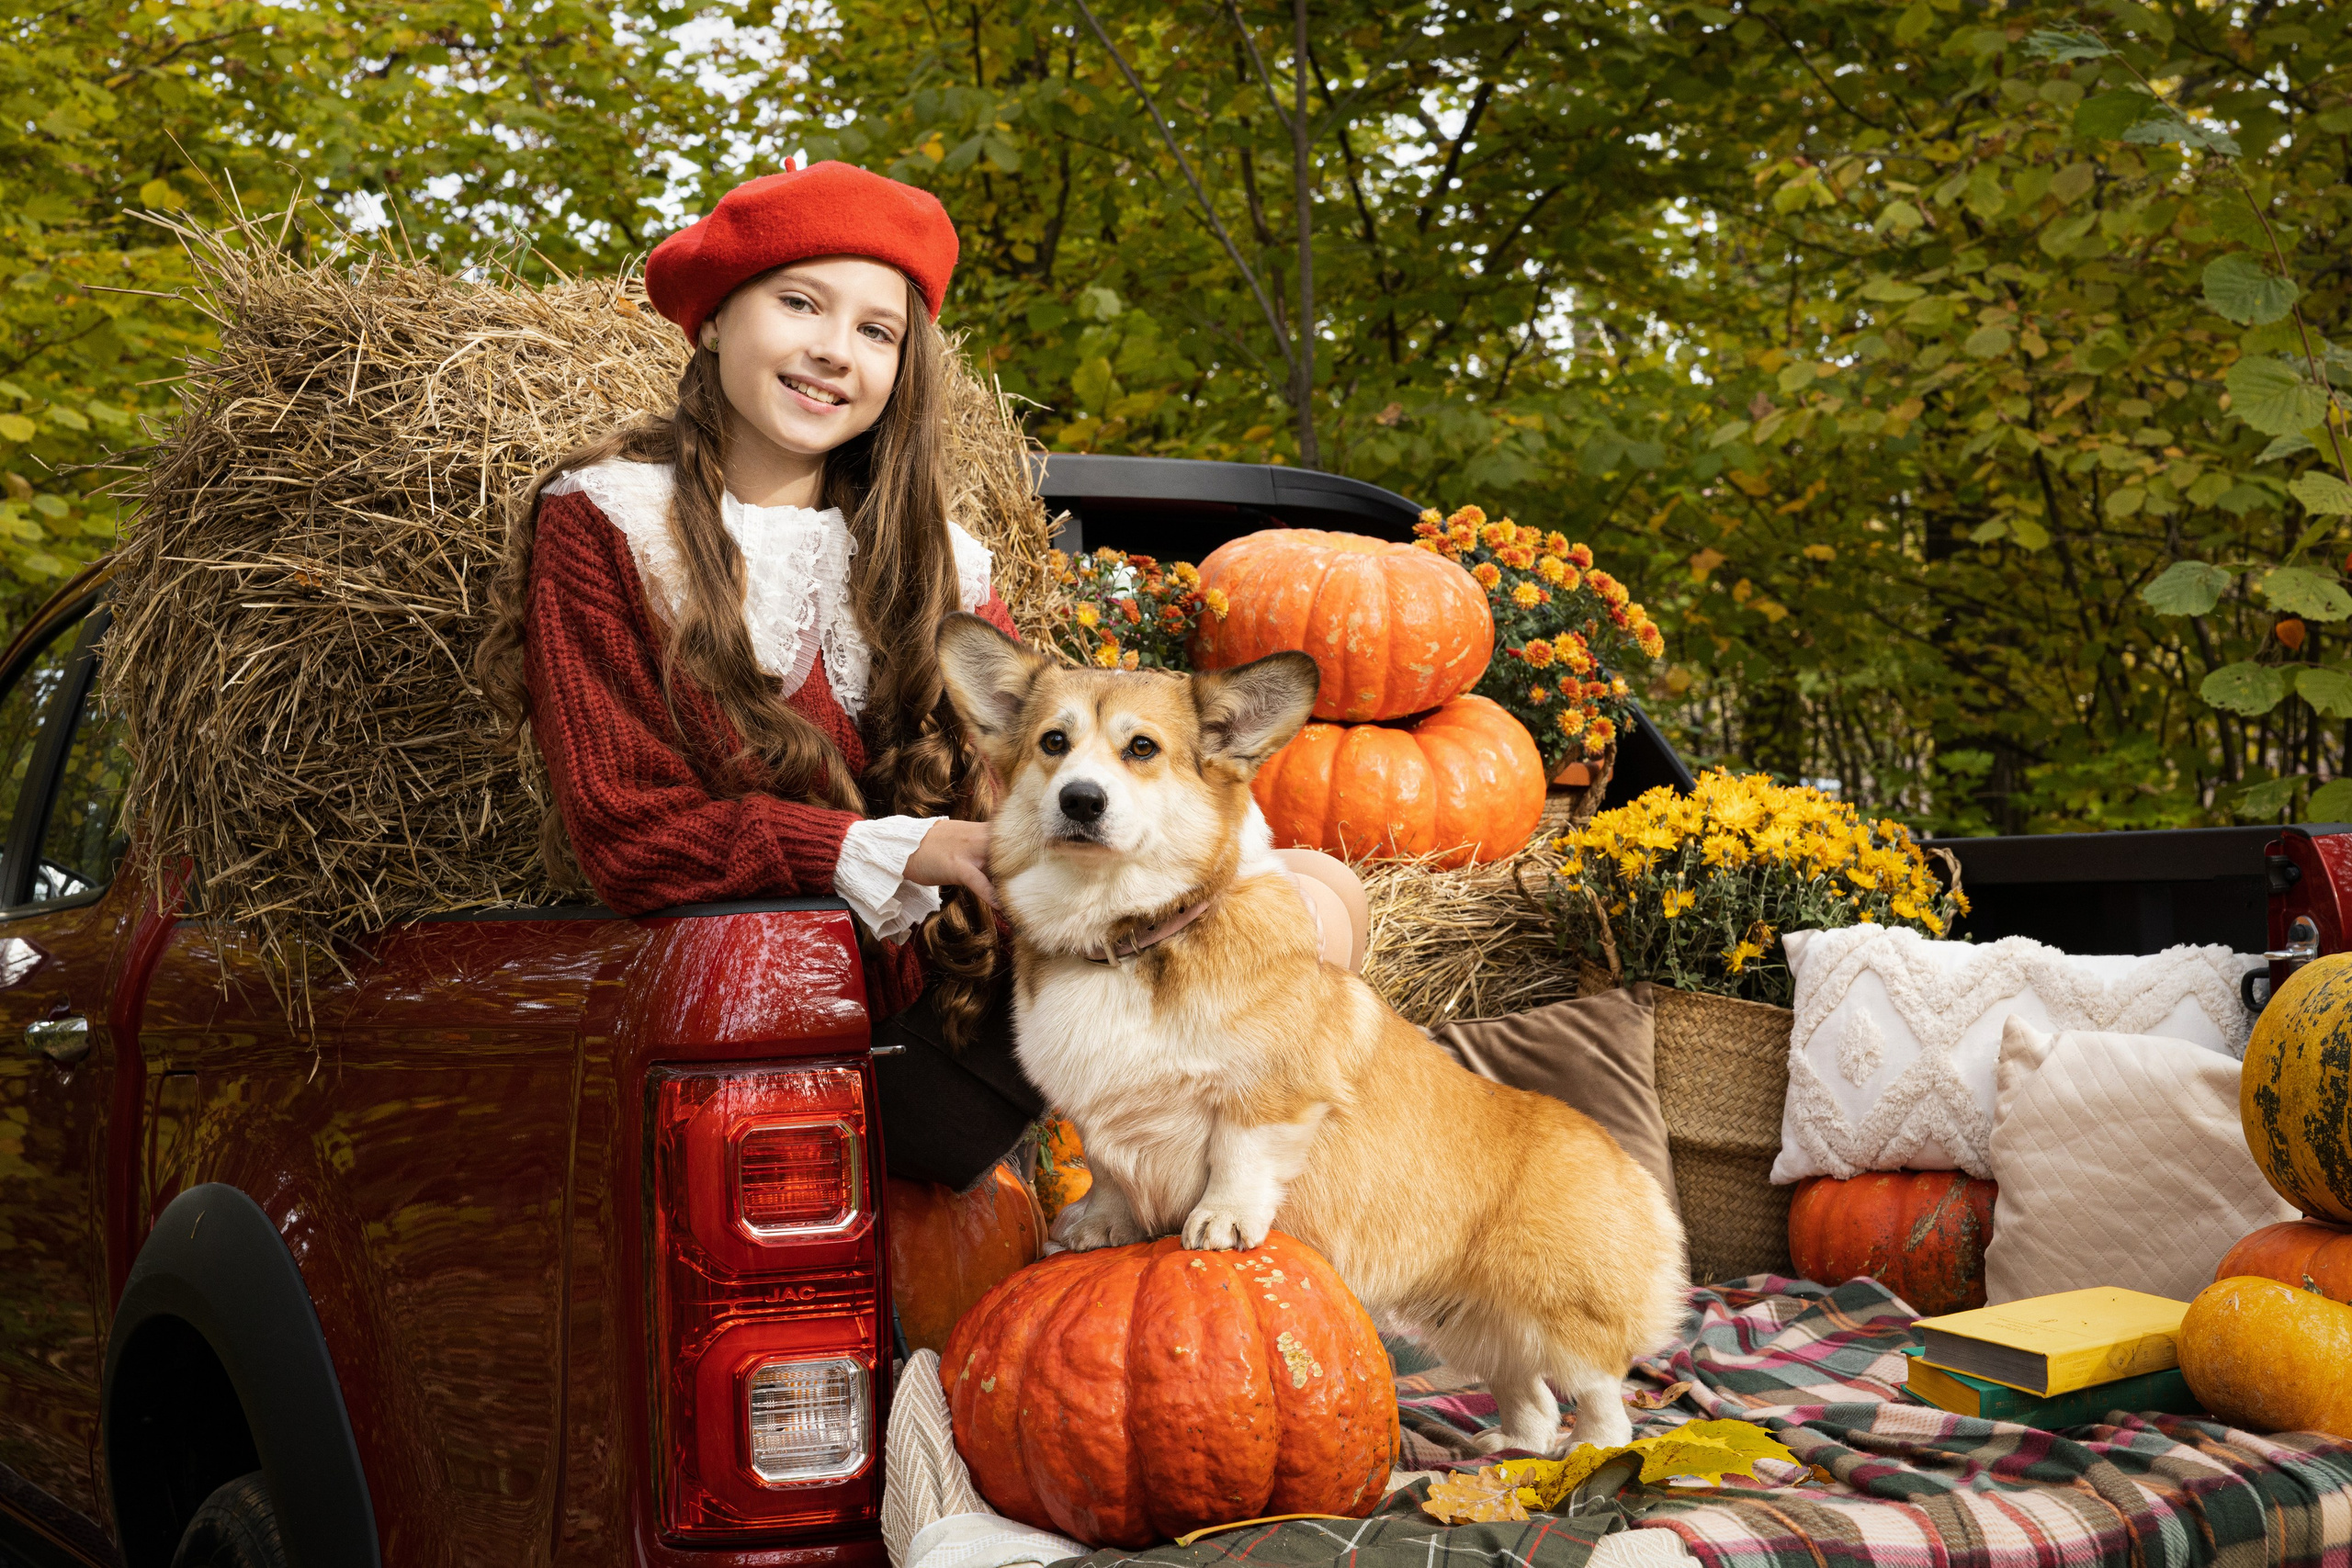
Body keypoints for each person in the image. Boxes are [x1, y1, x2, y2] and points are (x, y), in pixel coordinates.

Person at [478, 161, 1366, 1190]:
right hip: (802, 1041)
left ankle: (1204, 1197)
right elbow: (629, 833)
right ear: (716, 319)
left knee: (1313, 892)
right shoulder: (610, 523)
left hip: (968, 999)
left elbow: (1023, 781)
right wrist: (908, 849)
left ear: (904, 368)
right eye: (799, 302)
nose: (831, 351)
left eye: (875, 331)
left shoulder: (931, 558)